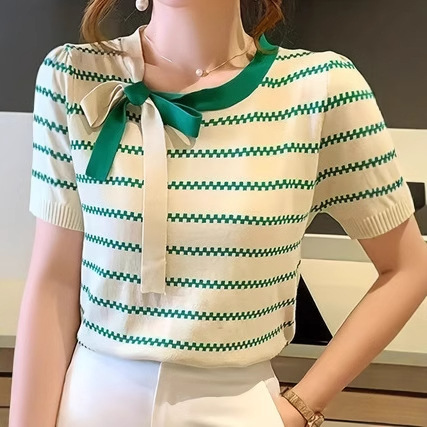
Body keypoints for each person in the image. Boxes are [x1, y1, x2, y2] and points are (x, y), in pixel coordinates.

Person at [9, 0, 427, 426]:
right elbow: (54, 282)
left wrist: (299, 408)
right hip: (91, 402)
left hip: (238, 405)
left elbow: (408, 268)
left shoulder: (320, 88)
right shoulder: (72, 75)